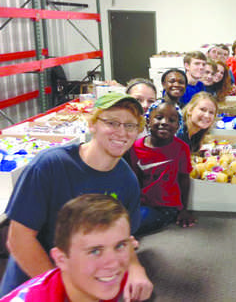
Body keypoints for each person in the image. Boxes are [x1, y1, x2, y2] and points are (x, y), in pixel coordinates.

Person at [0, 93, 153, 300]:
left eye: (130, 126)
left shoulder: (127, 181)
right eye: (112, 122)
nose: (121, 132)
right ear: (92, 124)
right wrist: (61, 292)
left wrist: (135, 268)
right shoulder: (50, 166)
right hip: (33, 286)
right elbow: (19, 240)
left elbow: (123, 239)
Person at [0, 194, 135, 302]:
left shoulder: (107, 278)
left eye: (119, 246)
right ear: (61, 259)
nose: (113, 263)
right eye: (95, 251)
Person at [128, 101, 196, 235]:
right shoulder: (135, 147)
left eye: (172, 120)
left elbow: (184, 179)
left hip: (167, 207)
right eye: (159, 118)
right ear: (147, 121)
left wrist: (183, 210)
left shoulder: (181, 148)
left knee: (138, 220)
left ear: (178, 126)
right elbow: (135, 180)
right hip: (141, 203)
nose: (164, 122)